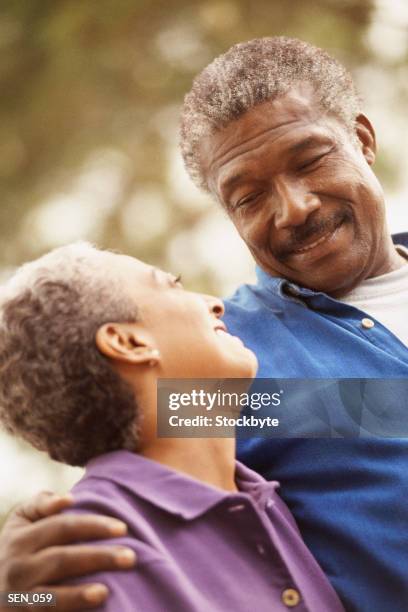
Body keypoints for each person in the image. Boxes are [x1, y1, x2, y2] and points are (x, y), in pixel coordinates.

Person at [1, 36, 407, 611]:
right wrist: (18, 595)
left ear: (363, 141)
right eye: (248, 197)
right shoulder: (229, 363)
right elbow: (125, 452)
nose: (293, 207)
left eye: (310, 160)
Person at [0, 242, 344, 611]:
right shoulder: (85, 551)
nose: (216, 303)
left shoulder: (261, 497)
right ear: (129, 342)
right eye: (173, 284)